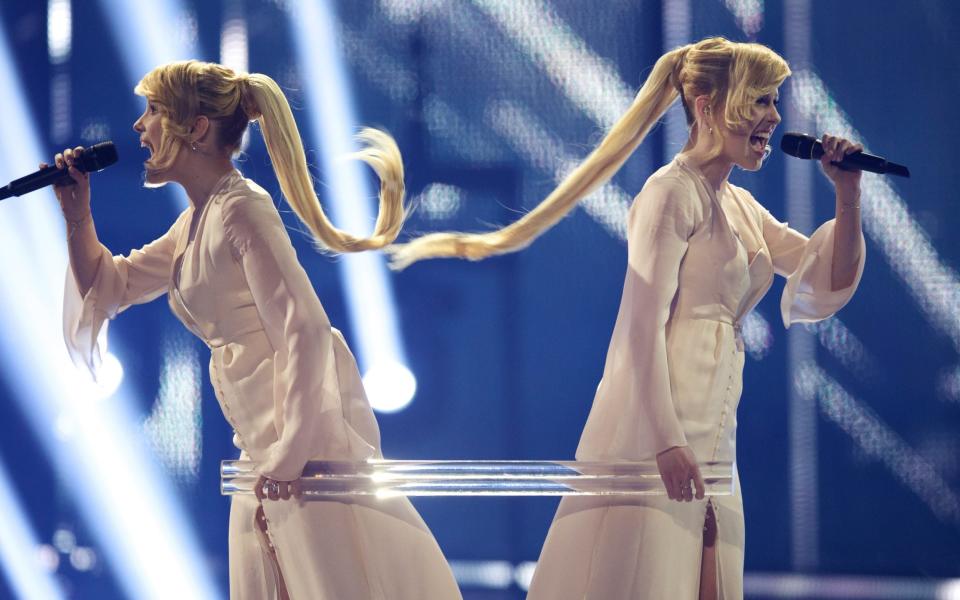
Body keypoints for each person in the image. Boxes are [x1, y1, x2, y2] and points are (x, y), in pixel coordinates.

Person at [387, 37, 865, 599]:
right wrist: (665, 441)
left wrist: (847, 194)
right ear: (709, 106)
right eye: (760, 100)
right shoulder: (670, 195)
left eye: (774, 101)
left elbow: (825, 273)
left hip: (715, 438)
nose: (774, 116)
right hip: (658, 434)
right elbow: (639, 328)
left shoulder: (738, 206)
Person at [49, 60, 462, 600]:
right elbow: (110, 286)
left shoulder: (242, 209)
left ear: (196, 128)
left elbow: (306, 329)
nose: (137, 126)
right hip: (262, 453)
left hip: (301, 448)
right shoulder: (196, 220)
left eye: (152, 110)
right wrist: (78, 216)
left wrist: (290, 455)